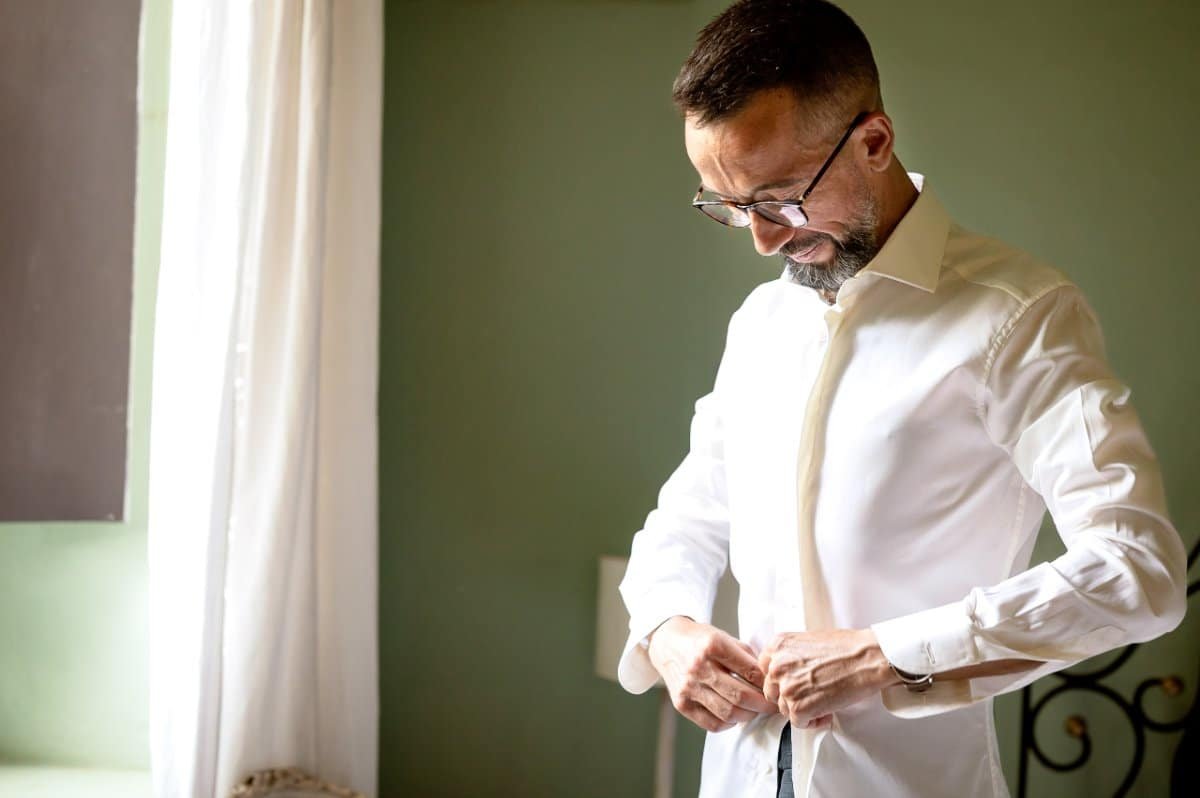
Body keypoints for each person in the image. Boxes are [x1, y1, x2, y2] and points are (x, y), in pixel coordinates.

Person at [615, 1, 1189, 796]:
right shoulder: (761, 322)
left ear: (874, 142)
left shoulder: (1018, 316)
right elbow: (689, 519)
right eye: (730, 206)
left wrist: (884, 655)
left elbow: (1139, 569)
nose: (762, 239)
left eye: (778, 198)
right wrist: (666, 628)